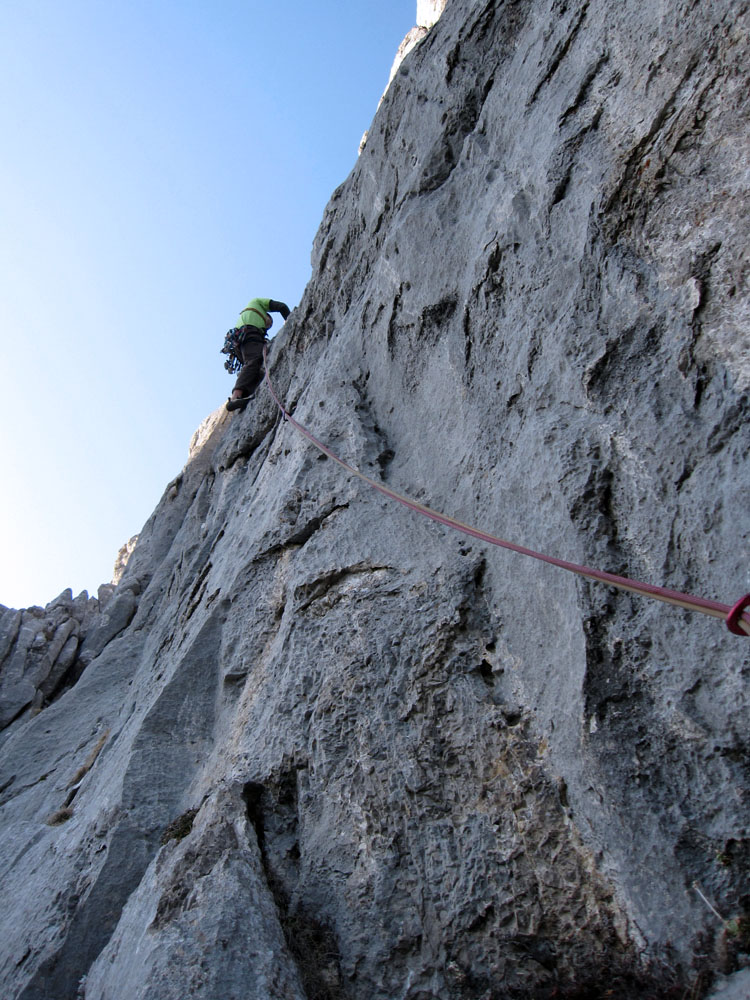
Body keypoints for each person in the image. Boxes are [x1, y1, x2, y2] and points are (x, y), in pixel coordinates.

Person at [226, 297, 291, 412]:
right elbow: (282, 307)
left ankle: (244, 396)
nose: (267, 326)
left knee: (254, 368)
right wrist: (291, 320)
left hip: (239, 342)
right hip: (249, 333)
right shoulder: (257, 303)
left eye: (268, 327)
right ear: (265, 315)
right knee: (253, 361)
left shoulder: (248, 316)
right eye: (268, 322)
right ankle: (235, 397)